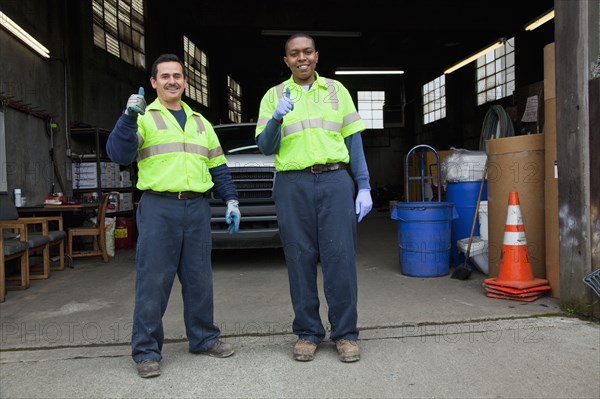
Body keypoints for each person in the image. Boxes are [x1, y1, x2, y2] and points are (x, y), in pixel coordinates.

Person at [106, 54, 241, 378]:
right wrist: (127, 118)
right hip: (158, 208)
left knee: (199, 280)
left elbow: (218, 167)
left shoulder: (200, 123)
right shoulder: (144, 117)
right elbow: (118, 153)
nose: (171, 81)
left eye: (177, 76)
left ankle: (204, 338)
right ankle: (146, 351)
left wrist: (232, 200)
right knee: (154, 282)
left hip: (196, 208)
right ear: (153, 82)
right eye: (164, 76)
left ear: (185, 81)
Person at [255, 33, 373, 363]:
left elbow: (354, 142)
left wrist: (363, 185)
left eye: (307, 52)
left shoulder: (337, 92)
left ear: (317, 56)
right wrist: (277, 117)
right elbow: (265, 147)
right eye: (294, 54)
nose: (301, 58)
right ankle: (308, 332)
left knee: (340, 259)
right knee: (299, 259)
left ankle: (346, 334)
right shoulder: (273, 96)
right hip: (292, 185)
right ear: (286, 60)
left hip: (336, 180)